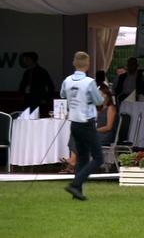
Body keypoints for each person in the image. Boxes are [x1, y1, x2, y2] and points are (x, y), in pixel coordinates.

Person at [61, 51, 104, 201]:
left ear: (74, 63)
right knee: (99, 158)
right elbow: (99, 101)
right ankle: (75, 184)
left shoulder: (67, 80)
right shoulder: (89, 82)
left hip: (74, 123)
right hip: (87, 122)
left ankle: (77, 192)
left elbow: (62, 94)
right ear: (87, 65)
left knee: (83, 157)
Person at [59, 85, 118, 174]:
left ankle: (73, 162)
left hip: (105, 135)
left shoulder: (111, 108)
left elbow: (109, 127)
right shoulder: (99, 108)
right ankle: (73, 162)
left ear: (107, 95)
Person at [18, 52, 55, 117]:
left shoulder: (42, 72)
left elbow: (51, 86)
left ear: (32, 60)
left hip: (38, 101)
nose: (25, 61)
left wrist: (46, 99)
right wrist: (21, 94)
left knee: (37, 119)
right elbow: (23, 85)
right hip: (27, 100)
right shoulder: (27, 72)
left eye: (27, 59)